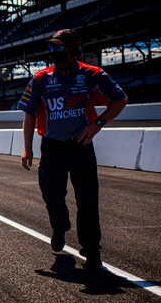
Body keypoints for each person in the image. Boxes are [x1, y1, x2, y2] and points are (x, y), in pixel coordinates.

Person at [18, 29, 128, 269]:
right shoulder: (40, 78)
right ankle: (60, 226)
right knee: (52, 196)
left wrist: (98, 124)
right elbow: (29, 114)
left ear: (73, 48)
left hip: (81, 146)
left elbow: (120, 99)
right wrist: (27, 148)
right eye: (52, 48)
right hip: (52, 148)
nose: (54, 52)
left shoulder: (92, 74)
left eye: (59, 47)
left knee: (88, 200)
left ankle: (92, 251)